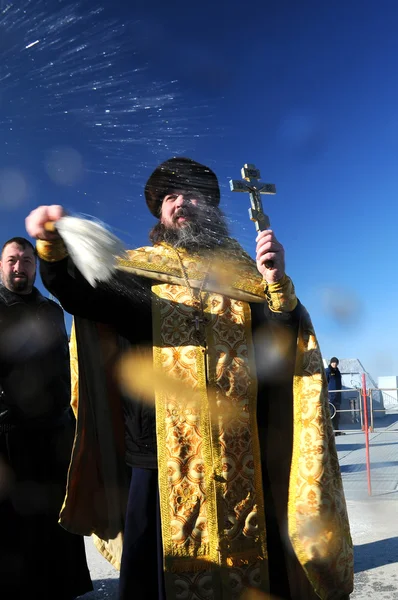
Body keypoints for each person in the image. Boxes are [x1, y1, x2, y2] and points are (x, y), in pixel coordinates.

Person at [25, 157, 354, 600]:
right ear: (160, 213)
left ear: (212, 208)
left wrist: (277, 288)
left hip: (244, 460)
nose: (181, 202)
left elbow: (276, 355)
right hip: (159, 465)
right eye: (169, 196)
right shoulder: (137, 273)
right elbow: (80, 293)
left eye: (192, 194)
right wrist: (52, 249)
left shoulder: (247, 276)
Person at [0, 237, 93, 599]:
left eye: (26, 260)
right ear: (2, 265)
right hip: (6, 432)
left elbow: (63, 364)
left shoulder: (51, 310)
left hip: (51, 431)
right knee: (10, 525)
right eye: (11, 260)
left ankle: (58, 588)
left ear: (36, 267)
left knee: (52, 520)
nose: (19, 266)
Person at [326, 357, 344, 435]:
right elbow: (325, 382)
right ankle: (331, 431)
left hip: (337, 396)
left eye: (336, 363)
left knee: (337, 414)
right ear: (330, 363)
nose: (334, 364)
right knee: (331, 414)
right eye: (333, 362)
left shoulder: (338, 372)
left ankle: (337, 430)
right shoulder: (327, 371)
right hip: (331, 396)